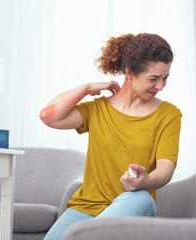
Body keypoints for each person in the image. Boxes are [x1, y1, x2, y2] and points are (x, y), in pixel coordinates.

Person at [40, 33, 182, 240]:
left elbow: (166, 169)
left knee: (140, 198)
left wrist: (145, 180)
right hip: (86, 208)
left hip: (134, 209)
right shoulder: (98, 110)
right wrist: (86, 88)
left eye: (165, 78)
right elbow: (49, 117)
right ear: (130, 72)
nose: (160, 86)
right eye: (154, 78)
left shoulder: (169, 115)